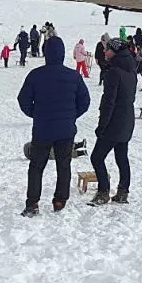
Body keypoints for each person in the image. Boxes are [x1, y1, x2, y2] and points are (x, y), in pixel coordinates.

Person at [17, 36, 92, 215]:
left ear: (46, 53)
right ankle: (60, 200)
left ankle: (32, 203)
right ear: (62, 53)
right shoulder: (73, 76)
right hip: (66, 130)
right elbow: (85, 101)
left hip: (42, 130)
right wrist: (71, 116)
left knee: (36, 166)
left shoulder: (35, 75)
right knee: (64, 165)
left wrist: (36, 114)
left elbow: (23, 100)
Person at [90, 38, 138, 205]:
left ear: (115, 52)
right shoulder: (131, 70)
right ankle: (123, 192)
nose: (104, 52)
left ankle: (103, 192)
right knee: (121, 156)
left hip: (114, 122)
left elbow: (109, 102)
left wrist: (102, 125)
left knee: (97, 157)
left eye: (107, 49)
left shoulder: (114, 72)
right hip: (127, 120)